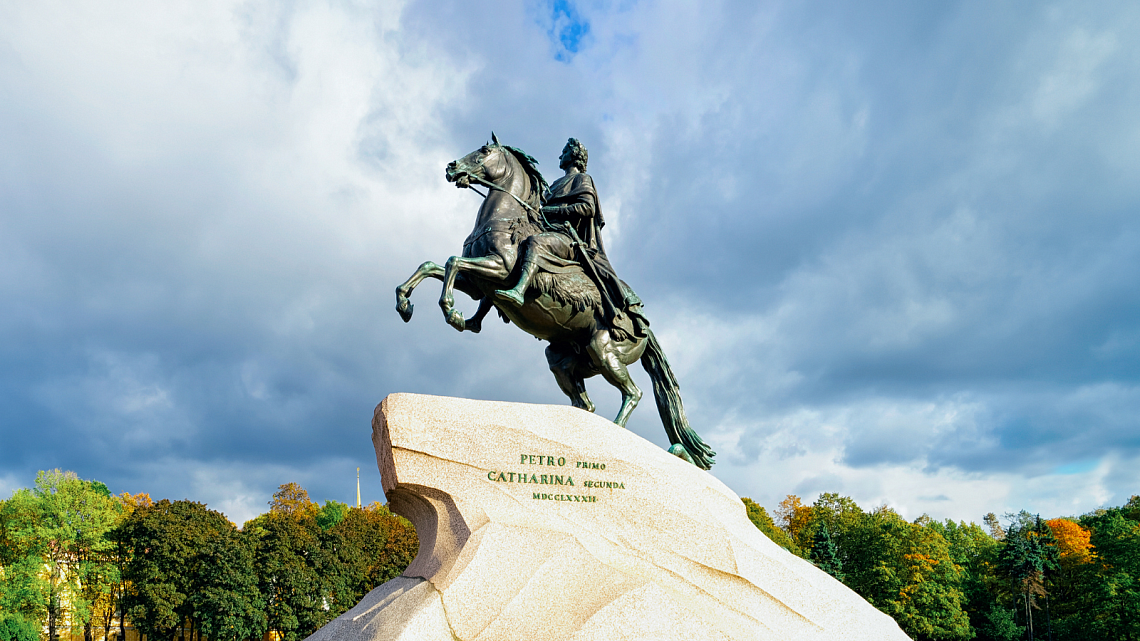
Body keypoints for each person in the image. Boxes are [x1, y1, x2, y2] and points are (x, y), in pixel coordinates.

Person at [495, 138, 647, 340]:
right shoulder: (556, 184)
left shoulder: (583, 179)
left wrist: (554, 210)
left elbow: (587, 207)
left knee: (535, 243)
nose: (560, 156)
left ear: (574, 155)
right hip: (549, 231)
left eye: (564, 151)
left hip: (568, 238)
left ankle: (519, 291)